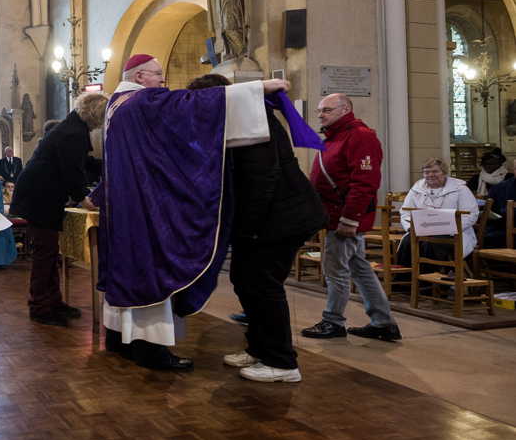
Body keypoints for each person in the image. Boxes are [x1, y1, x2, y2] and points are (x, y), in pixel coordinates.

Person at [91, 54, 289, 371]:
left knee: (129, 270)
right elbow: (190, 105)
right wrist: (257, 88)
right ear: (140, 76)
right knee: (151, 271)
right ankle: (151, 349)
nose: (162, 81)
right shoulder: (142, 102)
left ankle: (121, 340)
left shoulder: (117, 104)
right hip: (143, 211)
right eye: (157, 74)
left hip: (125, 211)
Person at [185, 74, 326, 383]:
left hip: (280, 218)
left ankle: (282, 362)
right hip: (268, 218)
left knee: (263, 284)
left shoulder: (253, 119)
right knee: (245, 279)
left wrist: (249, 229)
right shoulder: (242, 117)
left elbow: (262, 179)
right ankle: (260, 348)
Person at [301, 93, 403, 342]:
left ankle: (333, 321)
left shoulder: (360, 136)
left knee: (335, 270)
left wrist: (350, 219)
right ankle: (383, 322)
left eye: (326, 109)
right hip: (334, 215)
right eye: (319, 110)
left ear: (345, 109)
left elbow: (365, 183)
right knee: (360, 269)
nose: (320, 114)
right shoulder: (334, 138)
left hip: (344, 218)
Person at [11, 92, 107, 326]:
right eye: (103, 114)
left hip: (42, 196)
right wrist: (82, 197)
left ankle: (53, 302)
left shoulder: (73, 128)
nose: (104, 119)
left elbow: (83, 163)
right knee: (45, 254)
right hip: (39, 197)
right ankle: (40, 306)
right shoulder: (73, 132)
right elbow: (71, 171)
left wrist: (110, 165)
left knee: (51, 253)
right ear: (94, 112)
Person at [396, 158, 478, 267]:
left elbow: (471, 214)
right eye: (426, 172)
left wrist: (449, 228)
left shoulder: (460, 189)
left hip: (454, 233)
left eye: (435, 171)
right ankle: (407, 278)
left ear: (444, 172)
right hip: (422, 230)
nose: (430, 175)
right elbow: (405, 212)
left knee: (430, 243)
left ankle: (428, 278)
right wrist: (410, 227)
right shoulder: (417, 189)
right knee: (408, 240)